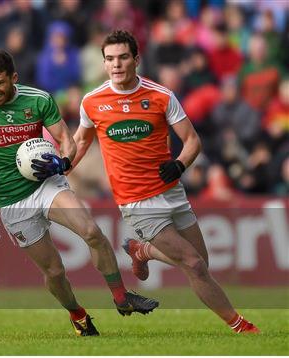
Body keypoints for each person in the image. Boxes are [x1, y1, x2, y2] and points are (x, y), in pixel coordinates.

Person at [0, 48, 159, 337]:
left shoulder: (38, 100)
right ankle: (77, 314)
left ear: (14, 77)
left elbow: (66, 140)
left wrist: (63, 162)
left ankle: (122, 297)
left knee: (91, 232)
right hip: (11, 200)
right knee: (54, 272)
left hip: (46, 184)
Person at [73, 30, 259, 334]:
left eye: (122, 58)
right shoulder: (92, 102)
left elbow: (191, 140)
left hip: (172, 190)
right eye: (109, 59)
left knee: (203, 263)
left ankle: (142, 251)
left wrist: (180, 164)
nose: (116, 65)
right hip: (135, 200)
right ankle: (241, 326)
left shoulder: (160, 95)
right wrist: (62, 168)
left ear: (136, 59)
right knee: (194, 264)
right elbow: (80, 143)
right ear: (104, 63)